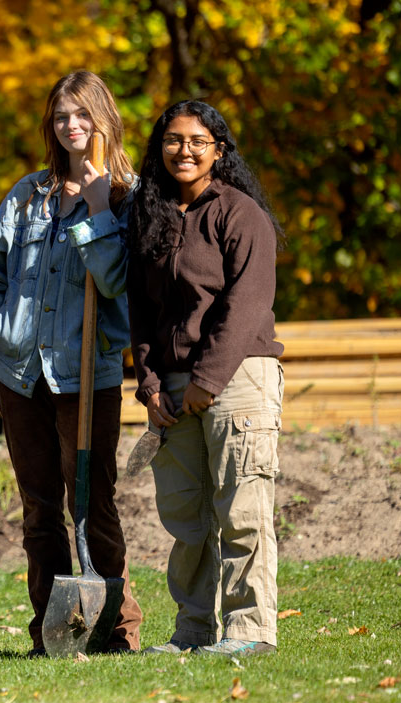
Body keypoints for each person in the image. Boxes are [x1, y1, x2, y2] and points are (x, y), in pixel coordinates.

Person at [0, 71, 143, 656]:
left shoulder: (128, 196)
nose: (72, 126)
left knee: (92, 499)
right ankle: (51, 629)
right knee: (39, 504)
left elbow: (118, 281)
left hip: (86, 374)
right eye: (62, 115)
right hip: (20, 372)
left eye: (83, 115)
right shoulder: (27, 194)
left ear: (104, 120)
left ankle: (116, 628)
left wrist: (96, 211)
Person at [128, 100, 284, 657]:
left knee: (241, 508)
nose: (184, 150)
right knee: (188, 519)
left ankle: (248, 631)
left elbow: (245, 306)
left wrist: (208, 380)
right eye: (173, 139)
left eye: (198, 140)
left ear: (219, 150)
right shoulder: (150, 216)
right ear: (159, 147)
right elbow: (141, 312)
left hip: (238, 379)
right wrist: (148, 385)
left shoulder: (240, 214)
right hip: (171, 389)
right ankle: (192, 631)